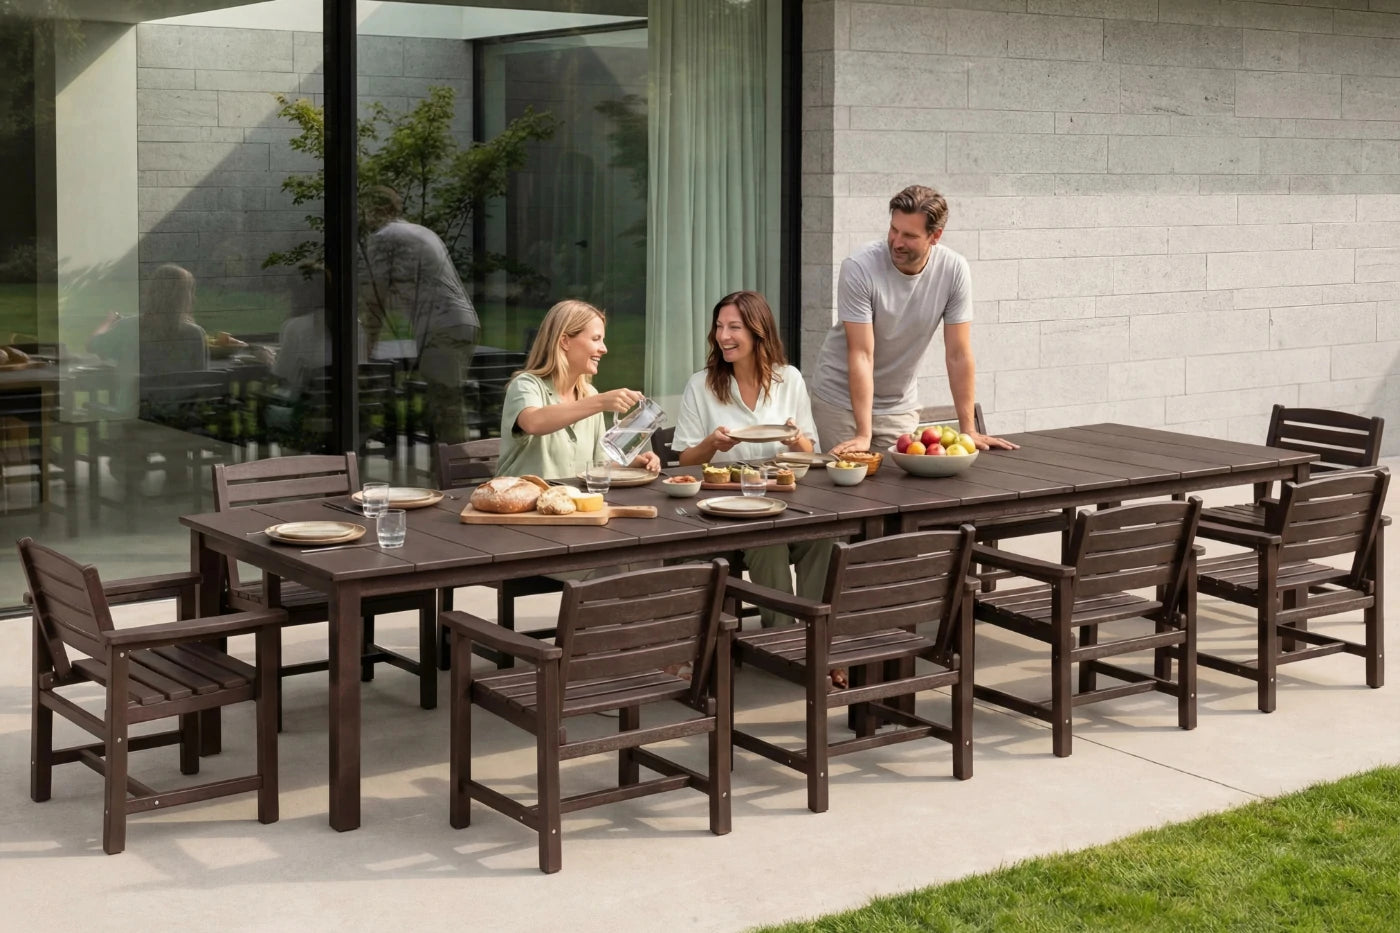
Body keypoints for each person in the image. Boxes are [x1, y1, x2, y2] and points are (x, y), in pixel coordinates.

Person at [809, 184, 1016, 457]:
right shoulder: (859, 268)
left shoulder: (953, 270)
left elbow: (958, 354)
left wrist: (968, 429)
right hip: (842, 402)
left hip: (898, 405)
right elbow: (861, 354)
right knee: (854, 489)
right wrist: (863, 433)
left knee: (901, 492)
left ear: (935, 236)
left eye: (909, 235)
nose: (896, 241)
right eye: (894, 229)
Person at [672, 290, 831, 631]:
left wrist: (794, 438)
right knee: (768, 544)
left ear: (759, 332)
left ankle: (819, 637)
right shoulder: (700, 385)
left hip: (785, 494)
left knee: (824, 538)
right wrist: (713, 444)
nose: (723, 336)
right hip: (724, 503)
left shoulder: (789, 379)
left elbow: (810, 450)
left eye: (734, 327)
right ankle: (784, 640)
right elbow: (685, 459)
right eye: (719, 327)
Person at [360, 186, 479, 446]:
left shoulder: (384, 237)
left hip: (441, 326)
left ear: (377, 210)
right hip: (460, 322)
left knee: (447, 408)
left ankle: (456, 474)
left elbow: (375, 297)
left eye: (367, 209)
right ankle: (451, 470)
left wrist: (367, 346)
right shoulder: (420, 232)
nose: (364, 216)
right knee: (447, 404)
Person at [498, 298, 660, 479]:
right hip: (523, 503)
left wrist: (633, 462)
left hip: (573, 504)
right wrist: (600, 402)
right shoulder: (526, 385)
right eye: (596, 339)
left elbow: (598, 462)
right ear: (565, 341)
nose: (604, 349)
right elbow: (534, 422)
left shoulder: (589, 394)